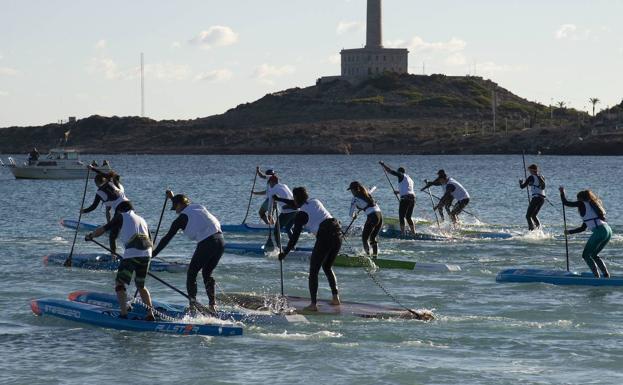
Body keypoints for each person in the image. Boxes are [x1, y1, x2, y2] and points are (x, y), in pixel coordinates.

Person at [152, 191, 224, 313]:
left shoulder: (180, 220)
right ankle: (213, 305)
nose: (175, 211)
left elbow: (166, 239)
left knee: (191, 273)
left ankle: (192, 306)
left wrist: (153, 254)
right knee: (207, 273)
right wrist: (172, 198)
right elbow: (183, 204)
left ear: (179, 205)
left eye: (175, 208)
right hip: (221, 241)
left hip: (207, 243)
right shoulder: (198, 207)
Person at [85, 201, 155, 320]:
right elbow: (151, 240)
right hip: (147, 253)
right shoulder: (142, 219)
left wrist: (91, 235)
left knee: (119, 283)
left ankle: (123, 314)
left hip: (132, 253)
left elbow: (104, 229)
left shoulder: (121, 216)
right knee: (140, 285)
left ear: (120, 210)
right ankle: (150, 314)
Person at [276, 187, 341, 311]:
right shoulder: (315, 201)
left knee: (313, 271)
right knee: (327, 267)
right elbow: (296, 203)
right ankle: (335, 298)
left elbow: (294, 238)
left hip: (324, 237)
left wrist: (285, 253)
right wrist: (279, 199)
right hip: (337, 234)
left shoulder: (301, 215)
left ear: (296, 198)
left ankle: (313, 305)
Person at [559, 187, 611, 278]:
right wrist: (569, 232)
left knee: (586, 255)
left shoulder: (582, 203)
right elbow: (583, 228)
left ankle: (596, 277)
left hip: (599, 231)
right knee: (594, 255)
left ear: (581, 199)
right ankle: (606, 275)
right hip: (608, 230)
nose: (577, 201)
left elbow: (566, 203)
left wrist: (562, 193)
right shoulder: (591, 208)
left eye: (578, 199)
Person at [81, 169, 129, 251]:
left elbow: (93, 206)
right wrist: (93, 168)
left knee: (112, 236)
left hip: (120, 211)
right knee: (128, 232)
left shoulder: (99, 192)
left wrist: (83, 211)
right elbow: (104, 174)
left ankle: (114, 256)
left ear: (97, 183)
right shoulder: (110, 182)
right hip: (129, 206)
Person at [379, 161, 416, 236]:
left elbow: (391, 171)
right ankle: (413, 232)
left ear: (400, 172)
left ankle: (402, 233)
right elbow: (408, 189)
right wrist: (399, 192)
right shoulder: (410, 179)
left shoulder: (401, 175)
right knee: (408, 217)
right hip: (412, 198)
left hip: (405, 199)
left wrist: (383, 165)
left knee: (401, 216)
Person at [347, 181, 383, 258]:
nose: (351, 192)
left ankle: (368, 257)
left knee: (364, 239)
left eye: (351, 190)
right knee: (372, 237)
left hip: (372, 217)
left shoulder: (355, 199)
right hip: (380, 216)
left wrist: (354, 216)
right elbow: (373, 187)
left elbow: (350, 214)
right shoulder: (367, 193)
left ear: (354, 190)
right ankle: (375, 257)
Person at [265, 175, 298, 240]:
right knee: (288, 228)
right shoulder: (285, 186)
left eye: (269, 183)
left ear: (273, 182)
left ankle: (278, 248)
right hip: (296, 210)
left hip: (287, 212)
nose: (269, 185)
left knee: (276, 230)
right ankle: (292, 246)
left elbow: (270, 204)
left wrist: (269, 215)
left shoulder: (273, 190)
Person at [519, 164, 546, 231]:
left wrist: (520, 182)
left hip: (536, 198)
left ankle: (531, 230)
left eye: (529, 170)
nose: (529, 171)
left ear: (532, 170)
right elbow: (541, 186)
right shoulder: (542, 176)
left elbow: (522, 187)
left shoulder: (531, 177)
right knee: (533, 216)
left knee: (528, 216)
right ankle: (539, 230)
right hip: (542, 199)